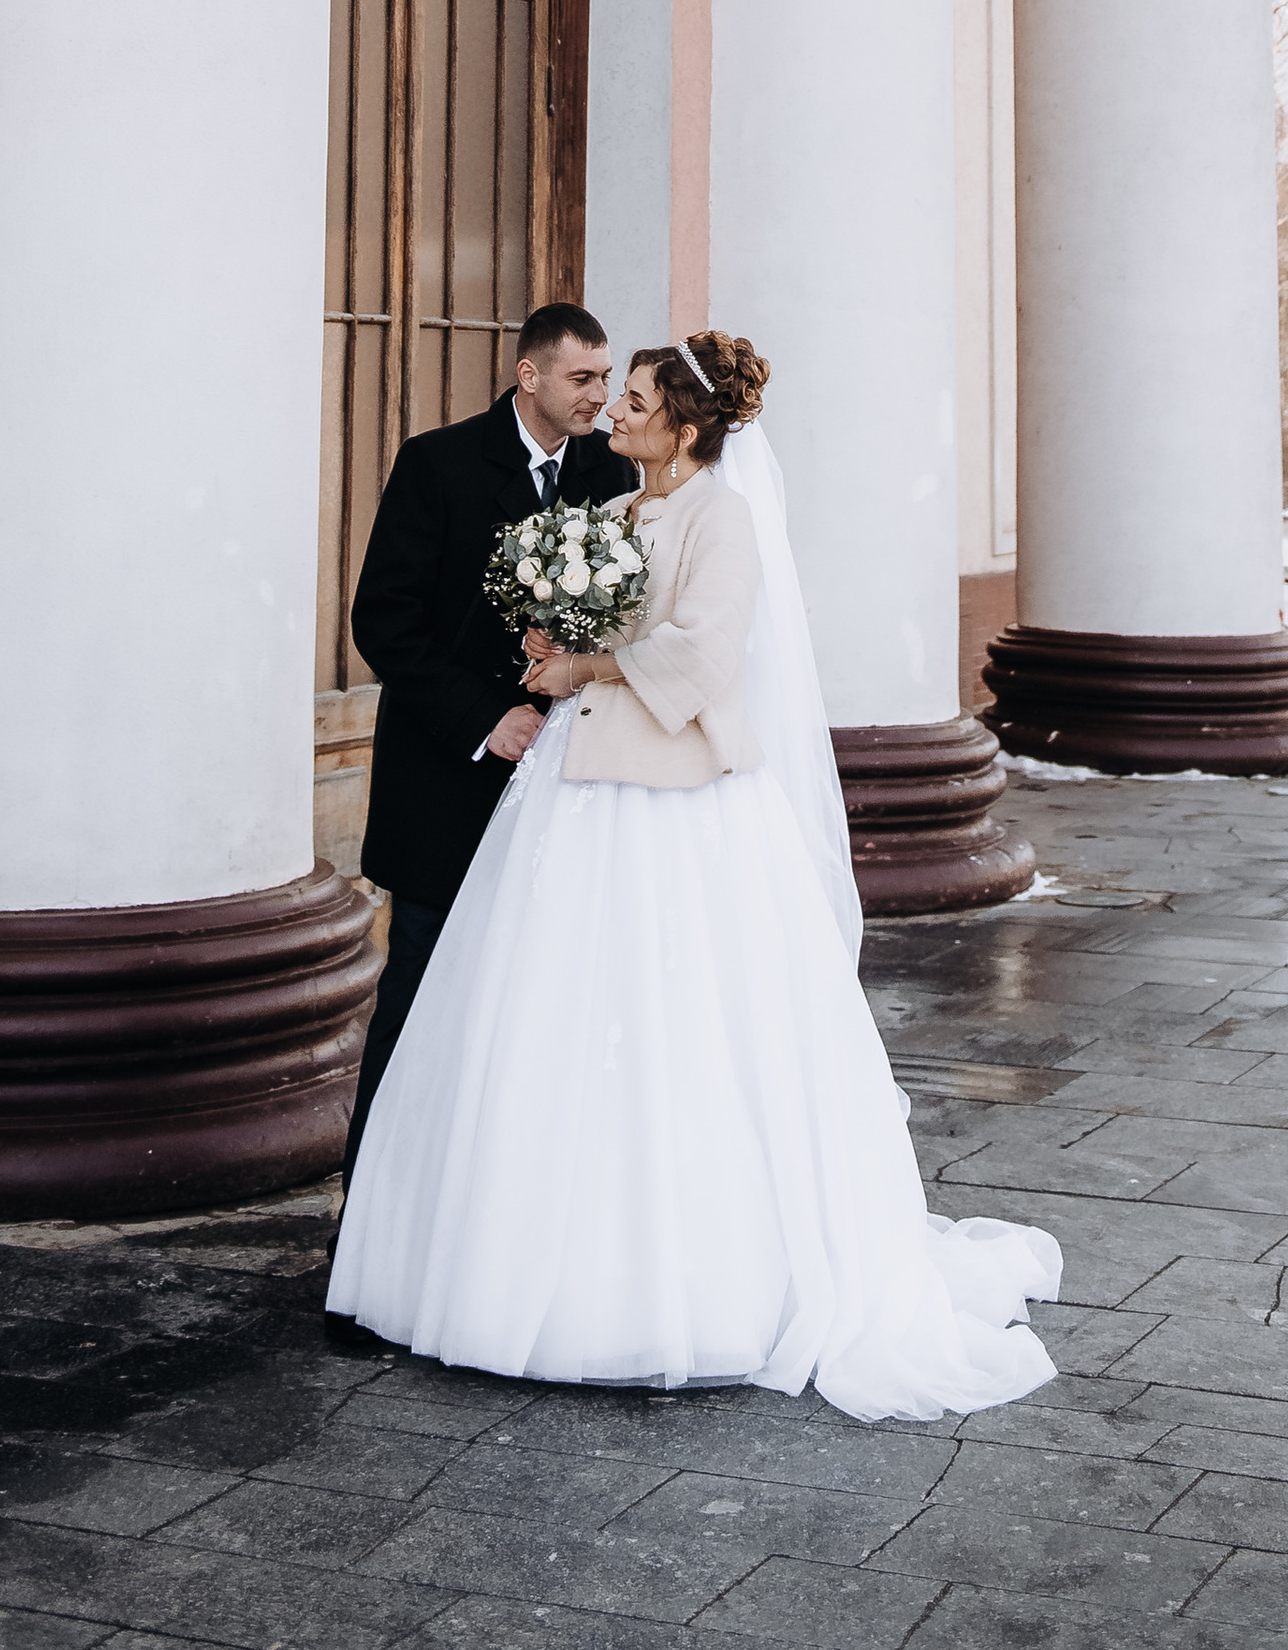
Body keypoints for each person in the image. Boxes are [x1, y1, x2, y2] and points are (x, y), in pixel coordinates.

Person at [326, 329, 1060, 1422]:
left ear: (683, 424)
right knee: (540, 1018)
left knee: (680, 1021)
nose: (611, 411)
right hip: (575, 795)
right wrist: (548, 640)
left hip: (680, 801)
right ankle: (506, 1257)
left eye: (631, 399)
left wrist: (584, 662)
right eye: (607, 392)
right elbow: (582, 626)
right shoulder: (617, 515)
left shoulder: (724, 518)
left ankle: (683, 1280)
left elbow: (705, 659)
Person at [339, 302, 637, 1177]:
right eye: (584, 379)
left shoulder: (613, 481)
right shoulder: (437, 464)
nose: (601, 396)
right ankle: (373, 1209)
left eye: (608, 378)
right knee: (420, 995)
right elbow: (383, 622)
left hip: (566, 788)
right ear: (530, 376)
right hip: (444, 783)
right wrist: (484, 718)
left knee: (533, 1007)